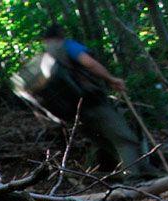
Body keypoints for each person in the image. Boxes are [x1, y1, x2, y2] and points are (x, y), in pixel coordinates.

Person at [21, 25, 156, 177]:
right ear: (61, 35)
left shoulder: (43, 59)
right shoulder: (67, 46)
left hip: (71, 114)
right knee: (125, 140)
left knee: (108, 143)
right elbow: (89, 63)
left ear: (45, 39)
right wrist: (111, 79)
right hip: (91, 102)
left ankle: (144, 171)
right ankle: (133, 182)